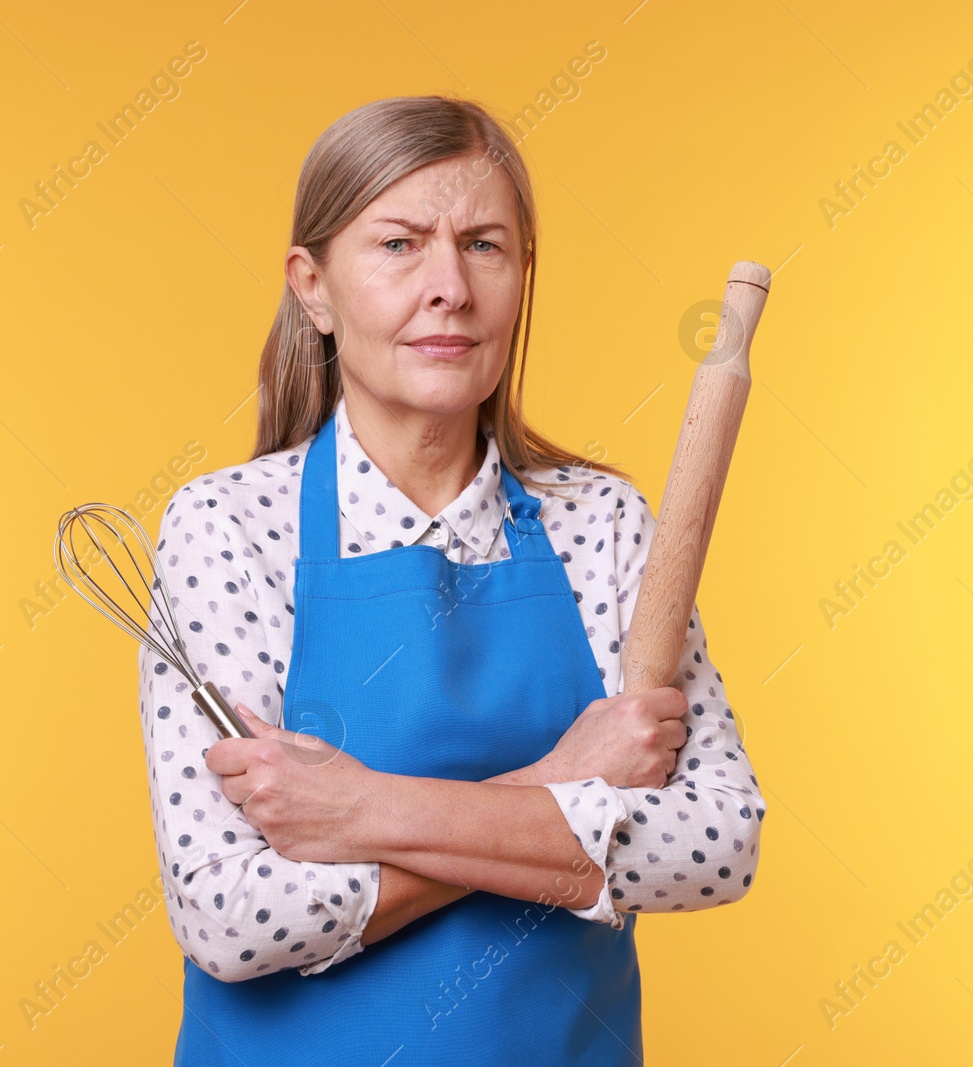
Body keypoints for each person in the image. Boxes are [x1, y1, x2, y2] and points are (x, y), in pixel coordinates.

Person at [137, 95, 767, 1066]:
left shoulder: (599, 523)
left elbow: (715, 842)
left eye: (482, 245)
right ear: (313, 287)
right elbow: (231, 916)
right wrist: (562, 781)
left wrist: (365, 811)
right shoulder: (229, 526)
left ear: (521, 276)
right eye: (397, 244)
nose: (449, 288)